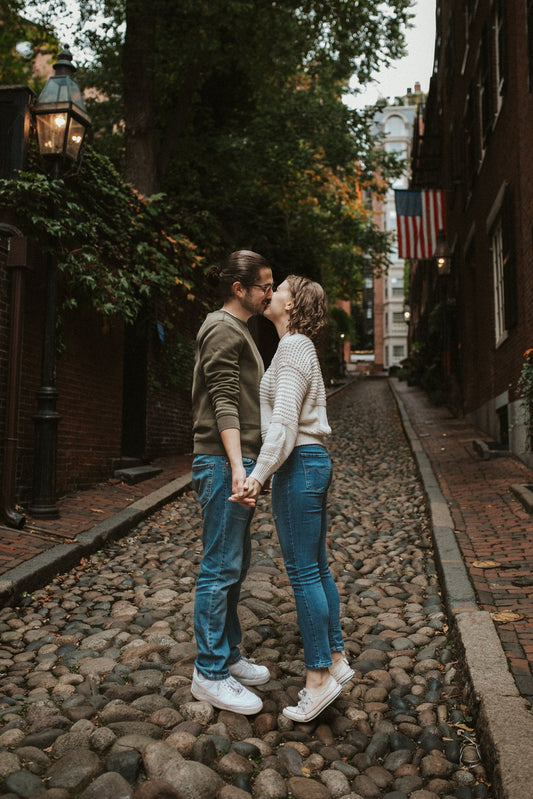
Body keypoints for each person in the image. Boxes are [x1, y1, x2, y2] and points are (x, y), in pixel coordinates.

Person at [230, 275, 354, 722]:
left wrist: (257, 476)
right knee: (316, 568)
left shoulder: (293, 347)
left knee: (304, 574)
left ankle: (318, 678)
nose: (271, 292)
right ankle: (335, 658)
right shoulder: (295, 347)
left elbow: (282, 425)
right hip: (309, 462)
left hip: (299, 464)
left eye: (278, 287)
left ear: (294, 303)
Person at [190, 249, 274, 714]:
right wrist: (240, 468)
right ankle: (209, 672)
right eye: (264, 285)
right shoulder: (223, 327)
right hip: (224, 462)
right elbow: (223, 400)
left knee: (234, 565)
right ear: (239, 289)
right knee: (221, 566)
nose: (270, 292)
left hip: (236, 460)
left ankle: (228, 654)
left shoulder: (240, 328)